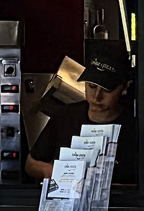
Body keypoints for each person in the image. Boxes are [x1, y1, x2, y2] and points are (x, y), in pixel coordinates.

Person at [27, 51, 138, 186]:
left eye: (107, 90)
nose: (97, 96)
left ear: (125, 87)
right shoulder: (65, 116)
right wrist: (50, 171)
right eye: (92, 86)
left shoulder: (134, 127)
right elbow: (31, 164)